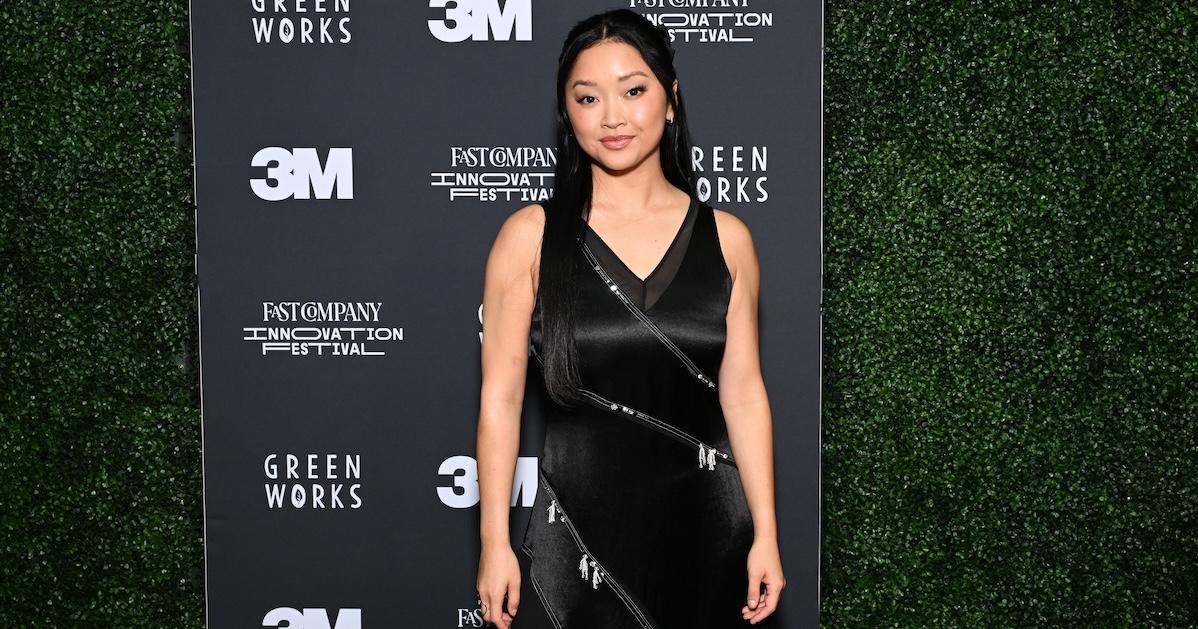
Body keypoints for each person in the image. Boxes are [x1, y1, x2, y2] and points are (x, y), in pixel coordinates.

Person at [475, 9, 784, 628]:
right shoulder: (530, 239)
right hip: (574, 544)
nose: (612, 116)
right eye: (588, 98)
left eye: (634, 90)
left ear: (670, 101)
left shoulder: (728, 239)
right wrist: (494, 542)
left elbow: (744, 394)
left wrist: (766, 536)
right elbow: (500, 400)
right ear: (568, 113)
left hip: (707, 535)